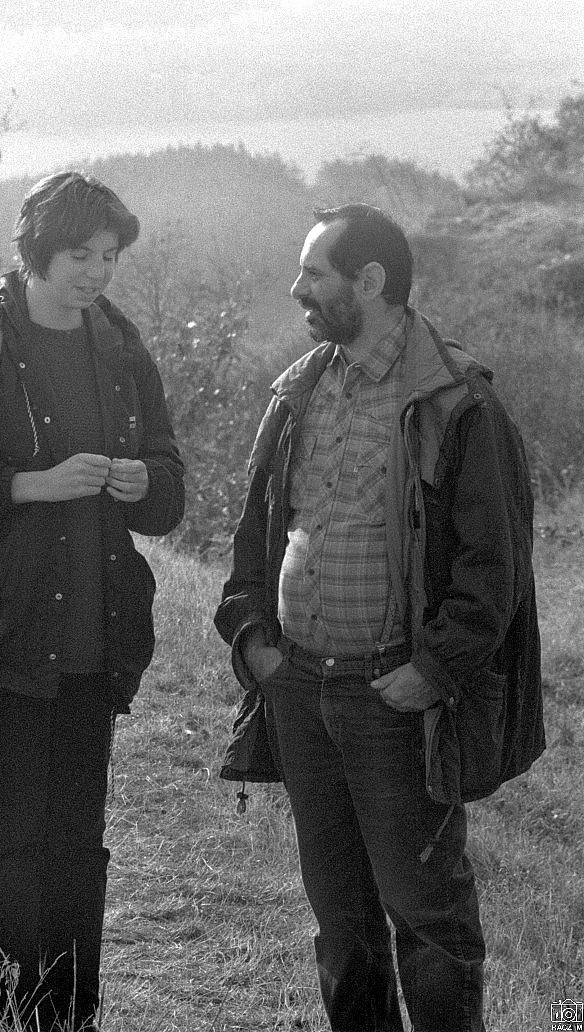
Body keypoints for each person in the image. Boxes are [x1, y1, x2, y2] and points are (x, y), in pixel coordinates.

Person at [214, 204, 544, 1032]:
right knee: (342, 925)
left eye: (313, 273)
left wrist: (429, 673)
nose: (297, 289)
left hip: (392, 701)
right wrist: (254, 641)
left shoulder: (457, 403)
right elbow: (254, 530)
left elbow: (494, 567)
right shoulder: (299, 390)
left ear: (370, 281)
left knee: (427, 920)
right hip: (298, 688)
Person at [0, 171, 185, 1030]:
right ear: (36, 252)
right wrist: (28, 484)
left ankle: (73, 1015)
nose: (97, 272)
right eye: (79, 255)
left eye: (109, 256)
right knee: (17, 837)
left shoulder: (121, 345)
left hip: (98, 629)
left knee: (78, 842)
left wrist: (146, 482)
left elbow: (169, 485)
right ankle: (20, 1014)